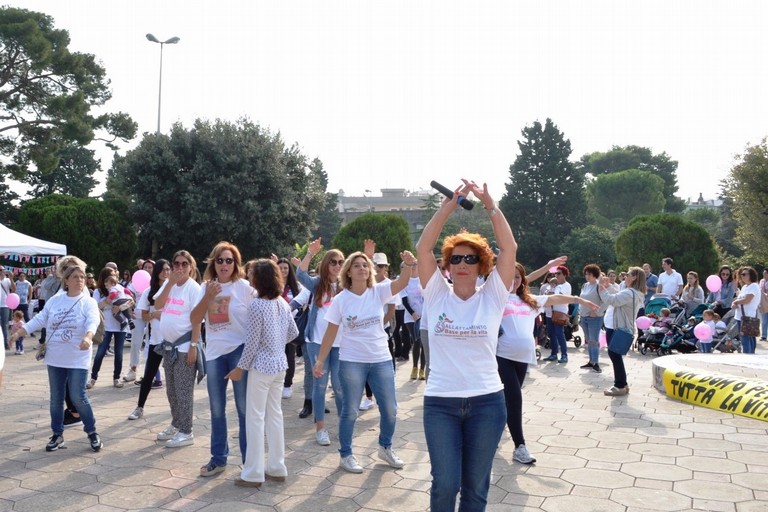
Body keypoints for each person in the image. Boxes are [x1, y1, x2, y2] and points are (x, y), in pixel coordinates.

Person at [415, 179, 516, 512]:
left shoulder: (493, 295)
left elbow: (510, 250)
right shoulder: (435, 293)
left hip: (487, 403)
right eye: (456, 258)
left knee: (475, 488)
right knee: (444, 485)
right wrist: (449, 206)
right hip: (441, 402)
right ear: (447, 264)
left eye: (470, 260)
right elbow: (422, 249)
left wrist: (491, 207)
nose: (462, 264)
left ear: (482, 265)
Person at [313, 249, 416, 474]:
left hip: (381, 359)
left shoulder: (377, 291)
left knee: (390, 409)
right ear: (348, 272)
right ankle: (346, 454)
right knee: (350, 411)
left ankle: (385, 447)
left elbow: (401, 284)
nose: (362, 268)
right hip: (352, 361)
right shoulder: (341, 300)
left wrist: (407, 266)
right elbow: (331, 332)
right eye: (357, 265)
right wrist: (320, 360)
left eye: (365, 265)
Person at [498, 262, 598, 465]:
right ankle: (520, 446)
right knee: (514, 399)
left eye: (517, 277)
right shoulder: (496, 299)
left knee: (506, 399)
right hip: (501, 356)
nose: (513, 280)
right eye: (509, 276)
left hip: (522, 358)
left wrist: (579, 300)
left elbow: (555, 298)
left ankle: (493, 429)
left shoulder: (530, 300)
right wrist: (549, 266)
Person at [8, 257, 103, 452]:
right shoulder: (55, 301)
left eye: (82, 277)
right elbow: (39, 319)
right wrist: (19, 333)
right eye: (75, 277)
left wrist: (88, 336)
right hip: (56, 357)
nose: (80, 280)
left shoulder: (88, 302)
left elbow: (92, 322)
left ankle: (92, 432)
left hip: (78, 357)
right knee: (56, 399)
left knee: (78, 397)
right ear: (66, 281)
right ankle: (57, 434)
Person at [225, 259, 298, 487]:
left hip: (261, 367)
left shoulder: (257, 306)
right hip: (279, 366)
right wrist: (275, 342)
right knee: (274, 416)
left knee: (255, 418)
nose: (249, 277)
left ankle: (253, 473)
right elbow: (293, 333)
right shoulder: (283, 303)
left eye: (252, 274)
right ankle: (277, 467)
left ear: (259, 279)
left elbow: (252, 343)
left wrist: (239, 369)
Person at [191, 242, 254, 476]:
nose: (224, 264)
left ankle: (250, 460)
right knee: (217, 409)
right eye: (220, 260)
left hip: (239, 350)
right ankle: (218, 458)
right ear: (213, 263)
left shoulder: (245, 287)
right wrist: (208, 297)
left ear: (236, 263)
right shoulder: (205, 287)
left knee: (244, 408)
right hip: (215, 353)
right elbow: (194, 319)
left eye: (229, 260)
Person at [296, 239, 344, 444]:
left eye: (341, 262)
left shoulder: (348, 285)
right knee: (320, 385)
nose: (337, 266)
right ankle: (320, 428)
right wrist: (310, 253)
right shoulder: (317, 284)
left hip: (342, 343)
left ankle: (344, 426)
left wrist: (368, 257)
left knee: (341, 387)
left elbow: (369, 281)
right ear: (326, 264)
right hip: (316, 341)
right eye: (333, 262)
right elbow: (300, 275)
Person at [153, 250, 202, 447]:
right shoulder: (169, 283)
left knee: (183, 390)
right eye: (177, 263)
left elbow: (198, 319)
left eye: (184, 264)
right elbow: (157, 304)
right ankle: (176, 423)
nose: (180, 268)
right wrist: (170, 283)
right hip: (168, 346)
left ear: (191, 267)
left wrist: (193, 346)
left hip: (184, 345)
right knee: (171, 390)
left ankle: (186, 430)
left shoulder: (194, 289)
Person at [127, 259, 171, 421]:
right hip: (156, 340)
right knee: (148, 375)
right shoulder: (149, 291)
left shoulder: (175, 289)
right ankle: (140, 407)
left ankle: (178, 413)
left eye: (168, 269)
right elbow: (142, 315)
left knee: (174, 381)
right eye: (163, 269)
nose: (166, 272)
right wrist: (155, 315)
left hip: (175, 341)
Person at [599, 267, 646, 397]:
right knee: (615, 355)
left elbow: (611, 300)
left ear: (634, 277)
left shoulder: (629, 293)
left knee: (614, 354)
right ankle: (622, 384)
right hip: (621, 326)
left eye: (628, 274)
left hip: (620, 327)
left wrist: (601, 287)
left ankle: (619, 385)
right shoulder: (632, 292)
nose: (625, 276)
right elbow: (616, 295)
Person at [88, 267, 132, 389]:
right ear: (105, 278)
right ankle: (93, 378)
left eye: (115, 276)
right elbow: (96, 306)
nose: (115, 278)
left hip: (120, 326)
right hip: (106, 326)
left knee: (118, 353)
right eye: (111, 276)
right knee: (100, 352)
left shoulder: (120, 288)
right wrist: (108, 301)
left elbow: (131, 301)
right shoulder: (98, 291)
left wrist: (120, 307)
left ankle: (116, 378)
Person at [276, 257, 310, 400]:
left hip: (291, 325)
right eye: (280, 267)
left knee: (290, 355)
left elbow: (303, 302)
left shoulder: (296, 286)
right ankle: (275, 383)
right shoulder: (271, 285)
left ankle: (287, 384)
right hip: (273, 326)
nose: (283, 270)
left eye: (286, 268)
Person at [579, 264, 607, 373]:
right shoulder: (585, 285)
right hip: (584, 316)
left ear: (595, 275)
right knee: (589, 340)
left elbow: (606, 301)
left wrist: (597, 312)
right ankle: (591, 361)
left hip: (594, 318)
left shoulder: (598, 286)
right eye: (586, 274)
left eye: (589, 274)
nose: (587, 276)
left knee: (594, 340)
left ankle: (595, 362)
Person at [542, 265, 572, 363]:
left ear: (564, 275)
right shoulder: (551, 285)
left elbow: (558, 297)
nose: (556, 275)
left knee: (559, 334)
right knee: (551, 334)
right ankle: (554, 353)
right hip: (549, 313)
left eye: (558, 273)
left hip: (560, 313)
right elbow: (546, 295)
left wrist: (551, 294)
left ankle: (564, 355)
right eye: (555, 273)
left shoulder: (566, 285)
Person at [733, 266, 760, 354]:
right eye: (741, 275)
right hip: (740, 316)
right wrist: (735, 302)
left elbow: (747, 299)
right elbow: (740, 298)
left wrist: (736, 302)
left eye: (744, 274)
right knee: (746, 338)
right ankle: (750, 354)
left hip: (748, 316)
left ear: (751, 275)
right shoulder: (745, 287)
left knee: (746, 338)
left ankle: (748, 355)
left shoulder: (754, 286)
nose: (742, 276)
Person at [759, 269, 768, 341]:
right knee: (764, 320)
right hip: (763, 303)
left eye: (765, 273)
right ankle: (764, 336)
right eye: (763, 273)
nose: (764, 274)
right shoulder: (762, 281)